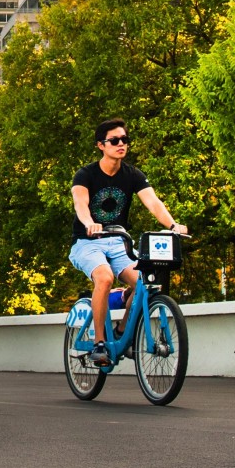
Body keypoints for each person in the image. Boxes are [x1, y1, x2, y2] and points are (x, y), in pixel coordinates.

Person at [70, 118, 188, 369]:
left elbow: (153, 203)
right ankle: (100, 343)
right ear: (101, 145)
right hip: (88, 242)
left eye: (124, 140)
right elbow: (80, 203)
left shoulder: (133, 175)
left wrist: (173, 225)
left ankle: (124, 330)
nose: (121, 144)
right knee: (104, 278)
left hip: (119, 243)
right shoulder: (86, 174)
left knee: (147, 281)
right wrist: (90, 222)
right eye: (114, 141)